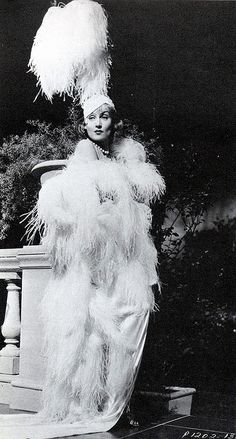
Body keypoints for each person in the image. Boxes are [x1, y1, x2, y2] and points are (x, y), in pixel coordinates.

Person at [0, 94, 165, 439]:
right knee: (93, 335)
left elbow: (131, 210)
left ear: (113, 122)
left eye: (105, 117)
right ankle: (98, 405)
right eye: (92, 118)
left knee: (132, 317)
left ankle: (117, 401)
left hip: (124, 255)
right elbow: (85, 208)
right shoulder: (83, 152)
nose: (99, 123)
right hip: (98, 257)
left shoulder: (121, 156)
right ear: (84, 123)